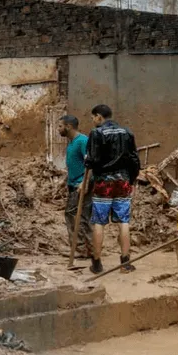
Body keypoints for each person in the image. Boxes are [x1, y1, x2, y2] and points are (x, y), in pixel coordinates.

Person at [84, 104, 141, 274]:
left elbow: (91, 160)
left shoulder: (96, 133)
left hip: (103, 182)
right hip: (123, 181)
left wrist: (88, 161)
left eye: (93, 117)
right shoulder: (127, 132)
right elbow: (134, 159)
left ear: (99, 117)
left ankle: (97, 263)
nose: (93, 121)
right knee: (124, 221)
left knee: (99, 222)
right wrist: (130, 179)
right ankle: (125, 262)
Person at [58, 115, 92, 258]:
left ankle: (80, 249)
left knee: (75, 215)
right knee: (78, 215)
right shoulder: (72, 143)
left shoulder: (82, 141)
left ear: (69, 126)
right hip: (73, 184)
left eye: (60, 126)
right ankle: (88, 249)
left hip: (81, 185)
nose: (58, 129)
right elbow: (75, 164)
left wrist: (84, 183)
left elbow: (91, 163)